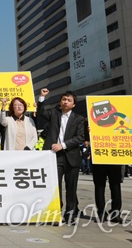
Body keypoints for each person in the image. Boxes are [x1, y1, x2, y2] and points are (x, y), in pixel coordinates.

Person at [35, 88, 85, 225]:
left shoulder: (79, 119)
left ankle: (70, 215)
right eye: (64, 99)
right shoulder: (53, 114)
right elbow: (40, 113)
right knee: (55, 186)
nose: (66, 102)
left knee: (71, 188)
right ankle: (56, 213)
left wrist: (62, 145)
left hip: (71, 157)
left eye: (69, 100)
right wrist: (41, 98)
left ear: (74, 104)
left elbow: (80, 137)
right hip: (54, 157)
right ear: (60, 101)